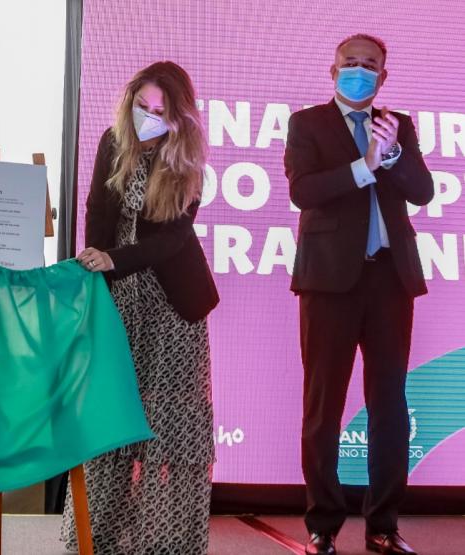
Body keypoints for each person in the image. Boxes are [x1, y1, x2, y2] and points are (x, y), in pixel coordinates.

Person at [284, 34, 433, 555]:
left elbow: (423, 191)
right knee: (323, 408)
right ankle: (323, 524)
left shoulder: (399, 126)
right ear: (333, 69)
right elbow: (303, 190)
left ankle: (383, 525)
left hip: (390, 281)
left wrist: (389, 156)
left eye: (371, 66)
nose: (360, 72)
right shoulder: (307, 123)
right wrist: (364, 165)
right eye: (351, 63)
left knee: (390, 406)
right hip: (327, 282)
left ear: (384, 77)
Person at [63, 61, 219, 554]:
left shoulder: (187, 159)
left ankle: (165, 543)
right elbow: (95, 208)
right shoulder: (114, 142)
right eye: (142, 107)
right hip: (118, 301)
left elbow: (173, 238)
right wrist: (95, 267)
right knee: (111, 421)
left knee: (168, 430)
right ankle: (99, 541)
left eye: (160, 112)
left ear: (178, 118)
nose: (148, 118)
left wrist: (116, 259)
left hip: (172, 308)